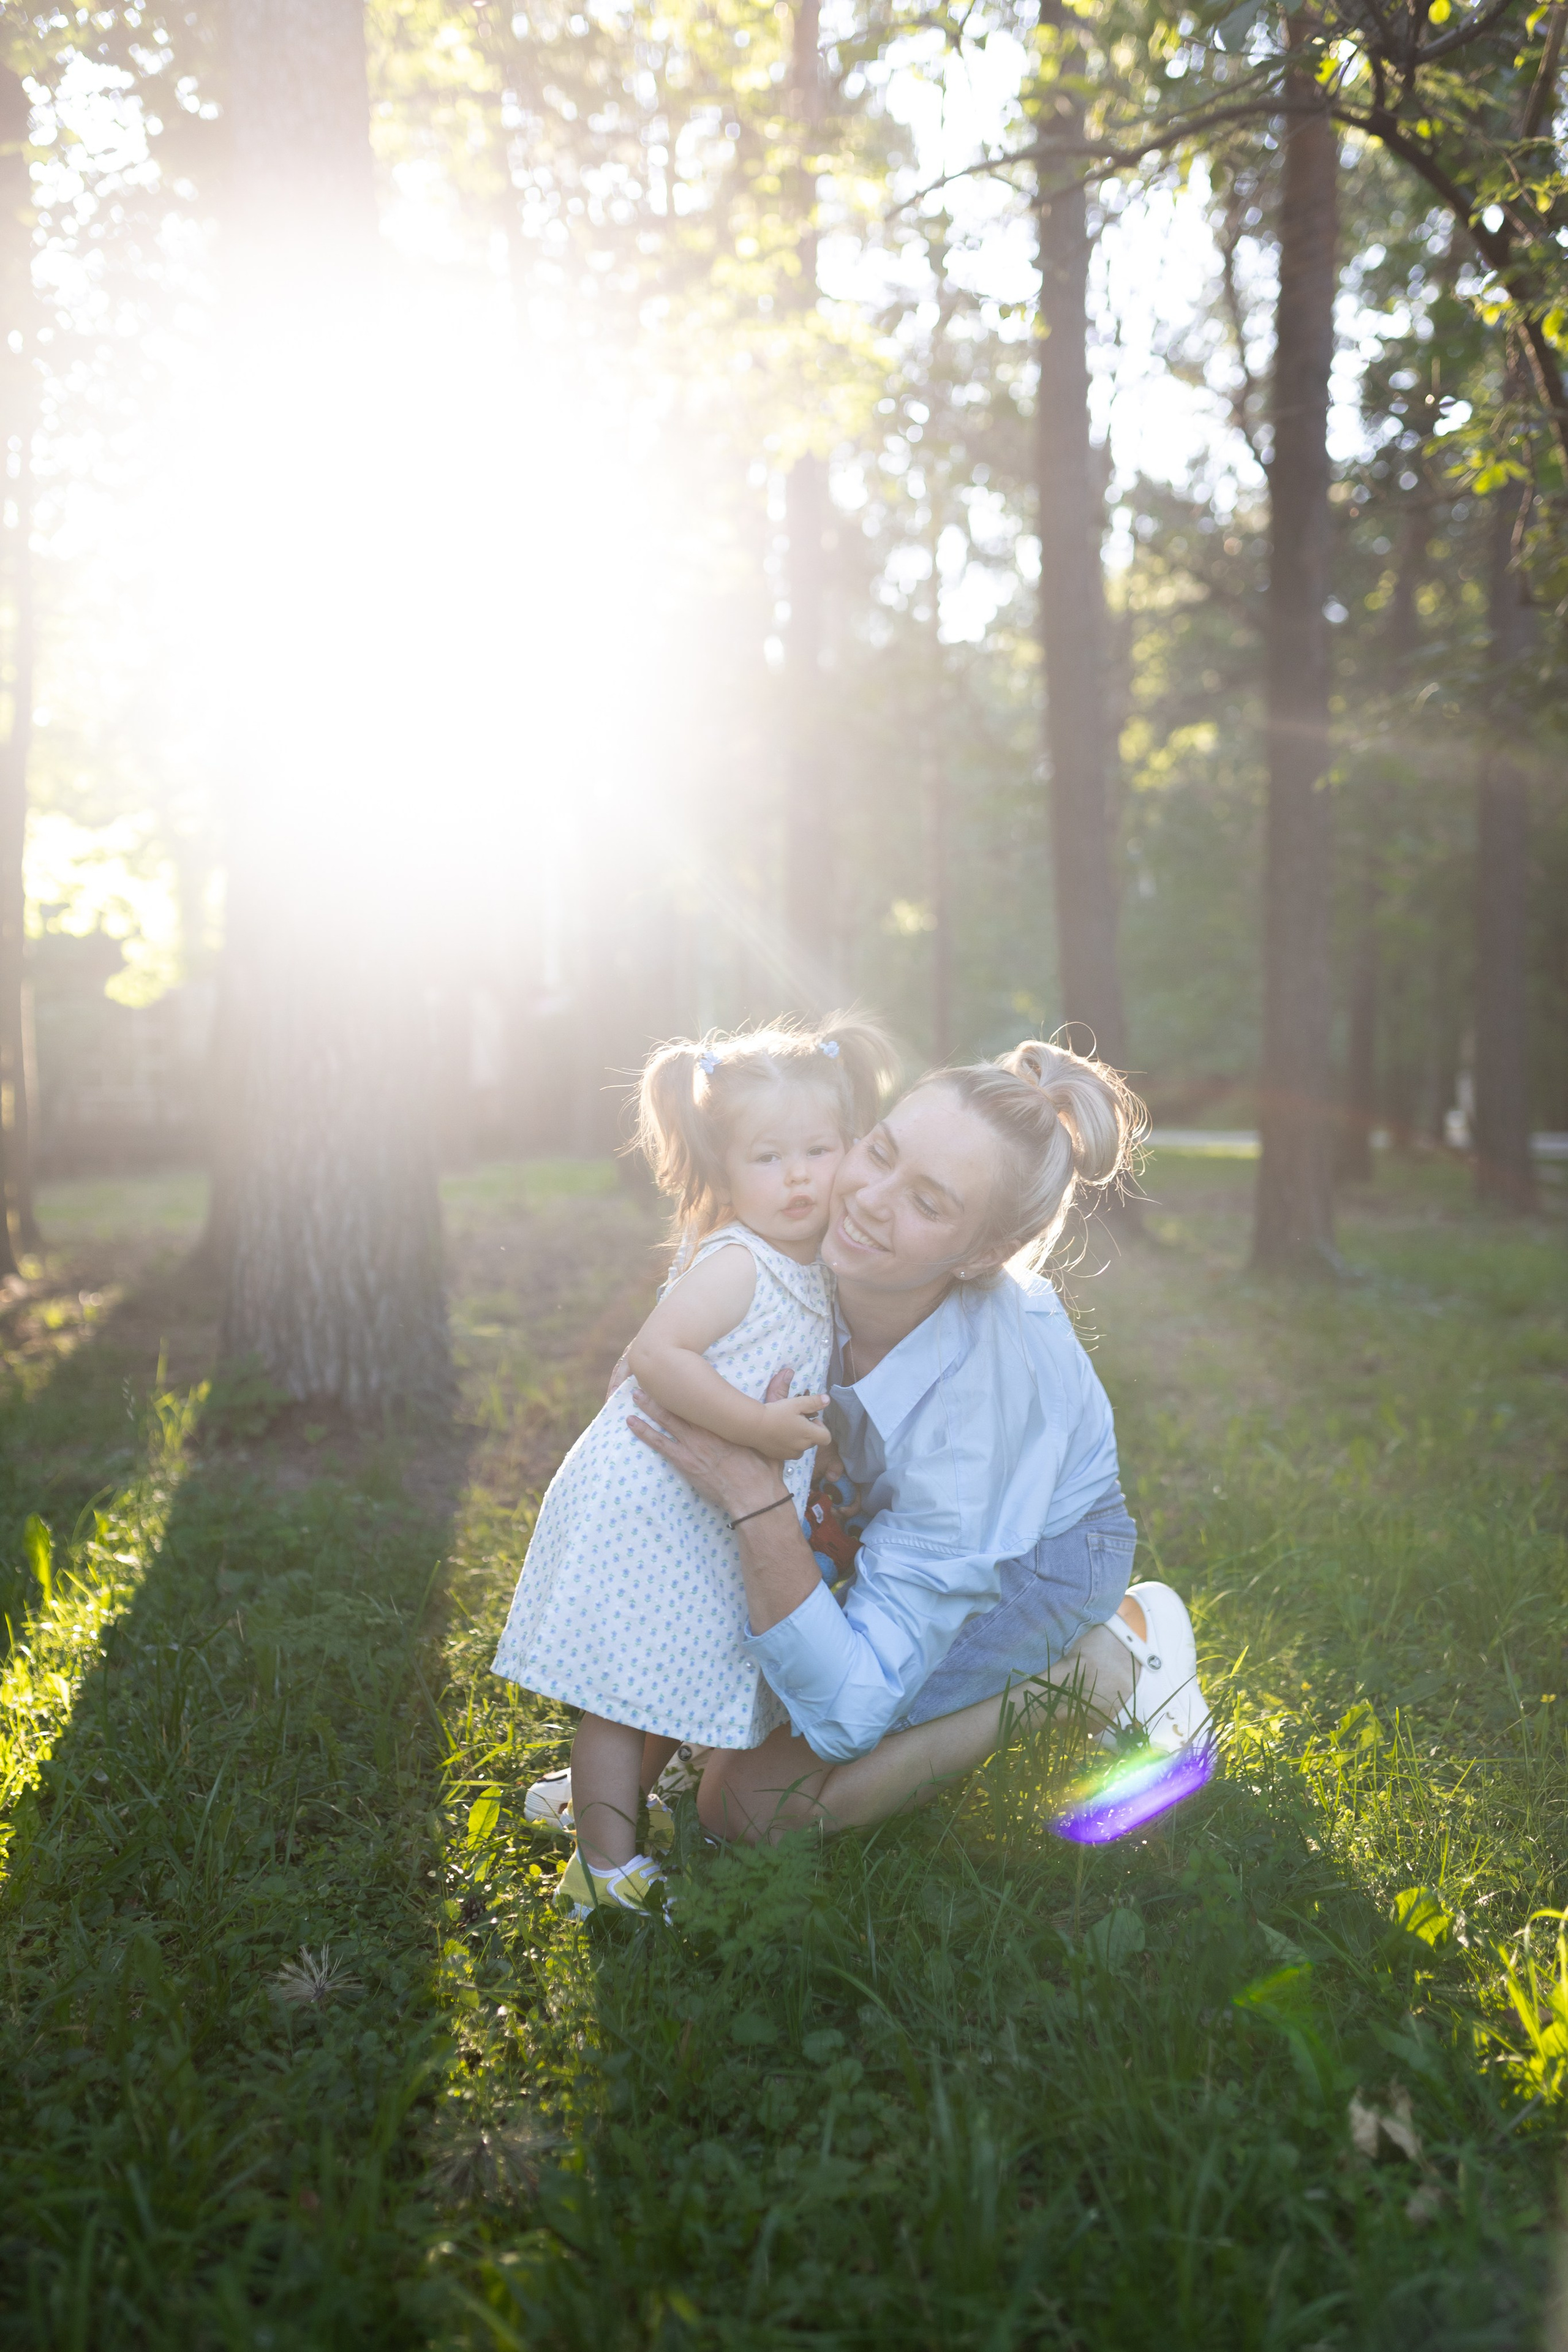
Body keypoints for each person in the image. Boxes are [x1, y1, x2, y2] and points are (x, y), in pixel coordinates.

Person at [615, 1038, 1213, 1845]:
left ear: (984, 1255)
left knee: (752, 1812)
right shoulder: (802, 1224)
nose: (866, 1199)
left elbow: (850, 1711)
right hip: (870, 1506)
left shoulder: (982, 1406)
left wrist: (756, 1497)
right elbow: (651, 1378)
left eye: (929, 1203)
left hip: (1036, 1551)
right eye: (881, 1151)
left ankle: (1096, 1668)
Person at [491, 1014, 894, 1912]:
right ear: (720, 1168)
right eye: (767, 1157)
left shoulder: (808, 1259)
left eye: (818, 1150)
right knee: (624, 1693)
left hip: (701, 1507)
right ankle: (603, 1869)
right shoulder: (743, 1262)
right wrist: (756, 1427)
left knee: (680, 1666)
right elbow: (655, 1354)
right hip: (652, 1500)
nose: (798, 1176)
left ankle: (602, 1804)